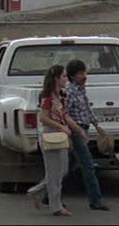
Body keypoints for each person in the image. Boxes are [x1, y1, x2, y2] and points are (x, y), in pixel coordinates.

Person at [27, 65, 87, 217]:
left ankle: (35, 191)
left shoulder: (61, 96)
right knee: (54, 172)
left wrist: (79, 131)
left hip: (61, 134)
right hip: (50, 135)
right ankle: (56, 206)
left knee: (62, 170)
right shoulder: (47, 97)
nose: (66, 80)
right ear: (56, 78)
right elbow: (43, 118)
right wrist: (61, 127)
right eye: (64, 77)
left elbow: (65, 116)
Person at [65, 59, 111, 211]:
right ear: (72, 76)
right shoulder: (70, 91)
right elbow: (64, 114)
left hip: (83, 130)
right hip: (76, 132)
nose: (84, 76)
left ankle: (47, 195)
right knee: (88, 165)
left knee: (66, 167)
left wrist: (98, 127)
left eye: (85, 72)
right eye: (80, 73)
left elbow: (86, 109)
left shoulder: (80, 89)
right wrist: (73, 132)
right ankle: (95, 200)